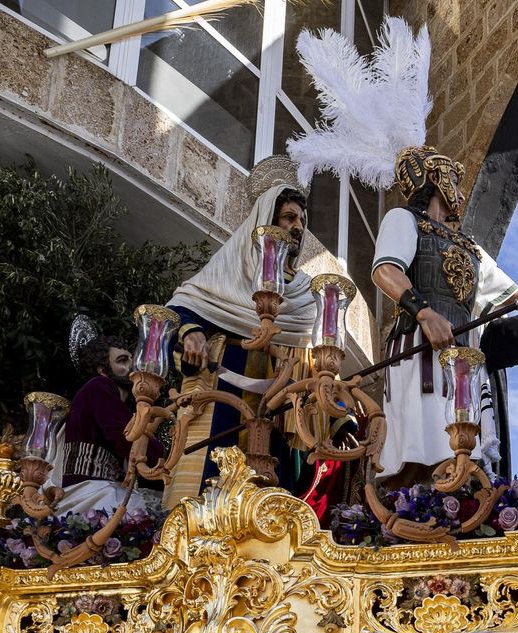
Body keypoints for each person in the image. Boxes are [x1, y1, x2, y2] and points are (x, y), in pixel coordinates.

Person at [285, 18, 518, 487]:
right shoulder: (404, 220)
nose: (459, 189)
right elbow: (385, 272)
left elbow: (513, 296)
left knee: (463, 449)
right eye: (453, 179)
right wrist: (424, 313)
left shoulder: (468, 247)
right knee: (423, 447)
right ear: (436, 180)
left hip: (462, 354)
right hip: (419, 347)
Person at [164, 155, 322, 504]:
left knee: (272, 507)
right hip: (223, 398)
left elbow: (319, 360)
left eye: (302, 220)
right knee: (207, 500)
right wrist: (192, 332)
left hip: (282, 413)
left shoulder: (307, 293)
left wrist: (337, 418)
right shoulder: (230, 270)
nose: (298, 227)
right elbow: (181, 308)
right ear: (266, 220)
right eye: (289, 218)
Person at [55, 333, 163, 516]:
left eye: (132, 359)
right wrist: (163, 457)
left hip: (105, 490)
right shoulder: (99, 386)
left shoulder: (122, 405)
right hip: (92, 493)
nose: (132, 366)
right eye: (122, 360)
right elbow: (127, 438)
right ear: (101, 369)